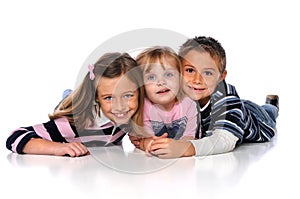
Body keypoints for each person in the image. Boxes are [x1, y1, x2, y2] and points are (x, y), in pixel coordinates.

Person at [143, 36, 279, 158]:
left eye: (207, 73)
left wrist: (186, 148)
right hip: (234, 107)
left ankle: (271, 105)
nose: (197, 80)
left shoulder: (227, 100)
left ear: (221, 76)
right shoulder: (174, 89)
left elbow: (224, 140)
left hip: (257, 119)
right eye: (190, 70)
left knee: (268, 112)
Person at [6, 52, 145, 157]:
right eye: (109, 98)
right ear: (97, 97)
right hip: (76, 108)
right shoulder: (72, 125)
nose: (119, 106)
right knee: (69, 99)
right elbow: (15, 137)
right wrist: (59, 148)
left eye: (128, 95)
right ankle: (68, 95)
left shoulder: (135, 114)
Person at [129, 46, 199, 152]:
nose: (161, 82)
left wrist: (178, 149)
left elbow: (190, 137)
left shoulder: (189, 103)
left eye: (168, 74)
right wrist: (149, 143)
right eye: (151, 77)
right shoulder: (143, 107)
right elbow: (145, 140)